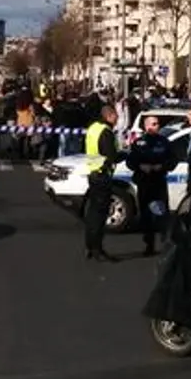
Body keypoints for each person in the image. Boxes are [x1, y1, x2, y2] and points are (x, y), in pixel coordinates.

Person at [125, 114, 175, 257]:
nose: (155, 126)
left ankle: (165, 243)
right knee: (146, 215)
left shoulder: (164, 142)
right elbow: (130, 161)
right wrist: (141, 166)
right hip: (144, 182)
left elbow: (173, 160)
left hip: (158, 182)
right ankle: (149, 245)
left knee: (161, 213)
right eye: (152, 124)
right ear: (146, 126)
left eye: (157, 124)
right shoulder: (139, 143)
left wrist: (162, 166)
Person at [81, 103, 122, 262]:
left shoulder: (93, 128)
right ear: (109, 116)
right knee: (100, 215)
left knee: (92, 214)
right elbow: (110, 155)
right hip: (103, 175)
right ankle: (97, 249)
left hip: (92, 172)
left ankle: (90, 246)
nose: (118, 118)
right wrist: (123, 155)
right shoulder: (106, 132)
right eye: (116, 116)